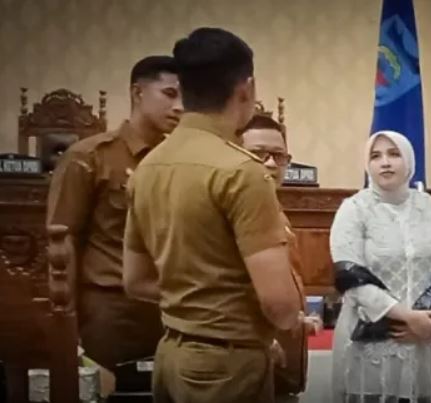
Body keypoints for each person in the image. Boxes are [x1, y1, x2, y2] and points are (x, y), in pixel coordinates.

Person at [122, 27, 303, 403]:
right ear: (246, 89)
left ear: (183, 89)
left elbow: (136, 281)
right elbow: (281, 307)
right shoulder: (242, 172)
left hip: (170, 355)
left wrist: (195, 306)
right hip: (226, 365)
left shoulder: (147, 167)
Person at [46, 55, 182, 371]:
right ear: (138, 92)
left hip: (169, 305)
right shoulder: (90, 156)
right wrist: (66, 317)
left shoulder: (176, 160)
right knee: (107, 389)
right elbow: (63, 241)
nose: (179, 107)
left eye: (186, 97)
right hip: (110, 306)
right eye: (170, 94)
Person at [329, 130, 431, 403]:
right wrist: (408, 317)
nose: (385, 163)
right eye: (376, 156)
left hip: (430, 338)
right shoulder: (354, 209)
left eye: (394, 154)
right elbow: (350, 276)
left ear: (409, 161)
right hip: (373, 344)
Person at [240, 114, 322, 403]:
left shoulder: (276, 210)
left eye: (279, 156)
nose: (271, 164)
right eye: (258, 154)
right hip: (249, 358)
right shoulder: (231, 214)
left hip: (282, 365)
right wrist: (258, 338)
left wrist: (298, 317)